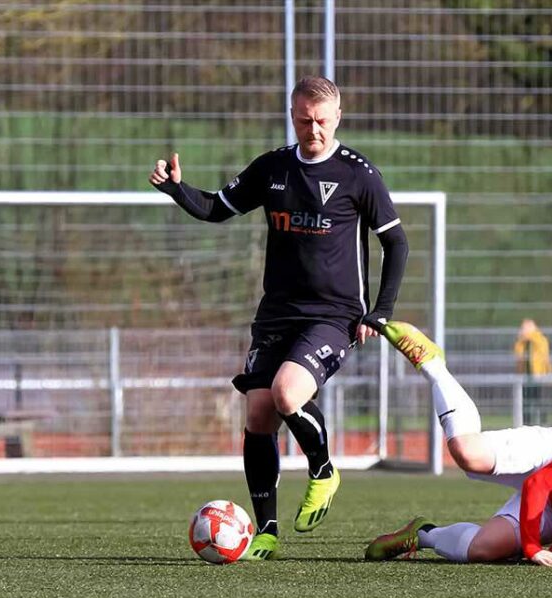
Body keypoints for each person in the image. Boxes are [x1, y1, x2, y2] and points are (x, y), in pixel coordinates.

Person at [149, 76, 408, 560]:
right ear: (293, 117)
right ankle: (265, 531)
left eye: (324, 121)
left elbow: (396, 242)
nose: (316, 129)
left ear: (338, 118)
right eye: (306, 120)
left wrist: (381, 312)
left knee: (288, 393)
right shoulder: (272, 168)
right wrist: (176, 189)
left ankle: (324, 469)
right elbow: (214, 209)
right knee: (259, 414)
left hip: (334, 315)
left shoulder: (359, 175)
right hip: (276, 315)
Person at [364, 322, 552, 566]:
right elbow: (539, 483)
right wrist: (532, 548)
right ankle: (433, 364)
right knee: (468, 453)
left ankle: (423, 533)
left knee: (483, 550)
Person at [513, 318, 552, 424]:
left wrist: (549, 373)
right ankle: (527, 423)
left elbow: (544, 355)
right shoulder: (522, 342)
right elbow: (518, 353)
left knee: (538, 400)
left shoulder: (540, 339)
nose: (522, 330)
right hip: (525, 375)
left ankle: (542, 422)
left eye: (524, 328)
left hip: (538, 375)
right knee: (525, 401)